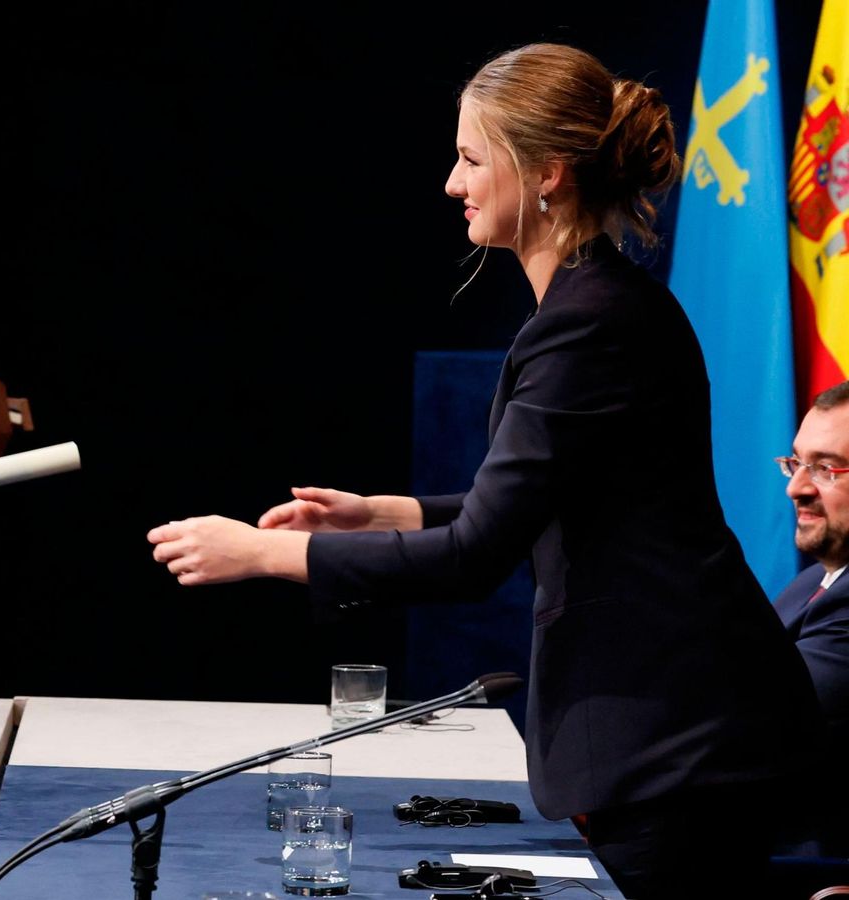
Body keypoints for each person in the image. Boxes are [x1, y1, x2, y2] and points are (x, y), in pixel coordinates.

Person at [148, 43, 820, 896]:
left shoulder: (590, 323)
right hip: (676, 733)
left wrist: (262, 554)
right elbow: (543, 502)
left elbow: (477, 554)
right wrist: (382, 512)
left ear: (547, 174)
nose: (451, 183)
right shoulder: (592, 306)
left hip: (680, 738)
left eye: (471, 159)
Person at [775, 382, 849, 753]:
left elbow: (748, 719)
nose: (796, 489)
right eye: (796, 463)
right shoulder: (811, 582)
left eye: (824, 467)